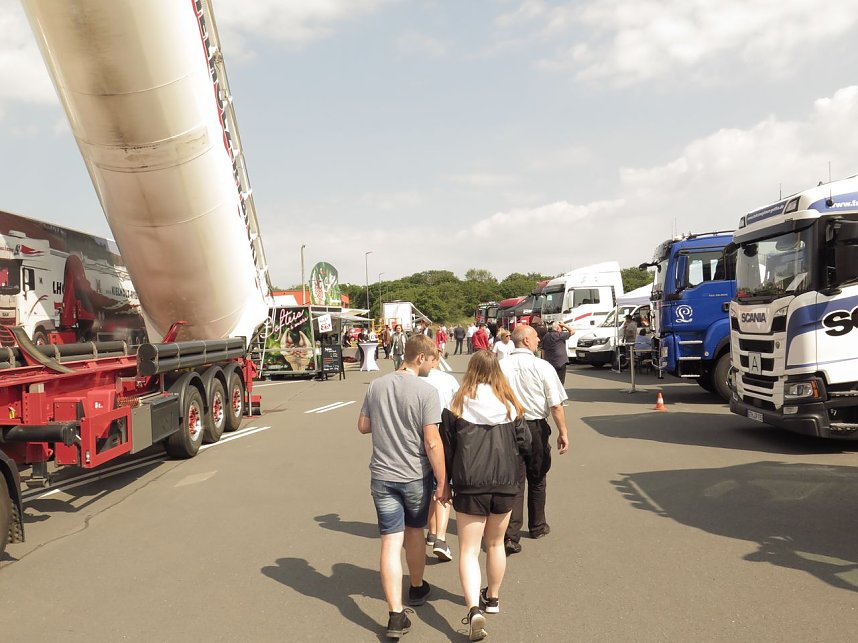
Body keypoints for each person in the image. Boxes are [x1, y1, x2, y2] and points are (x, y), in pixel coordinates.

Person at [357, 335, 450, 639]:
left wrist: (387, 419)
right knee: (414, 532)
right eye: (431, 358)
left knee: (389, 541)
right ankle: (416, 587)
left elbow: (363, 426)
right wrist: (442, 480)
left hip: (382, 476)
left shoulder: (376, 385)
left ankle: (395, 614)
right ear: (420, 358)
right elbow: (432, 440)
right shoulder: (427, 391)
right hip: (413, 474)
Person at [440, 351, 532, 641]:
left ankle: (473, 609)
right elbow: (526, 443)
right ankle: (492, 598)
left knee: (468, 550)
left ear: (471, 370)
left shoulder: (456, 406)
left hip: (469, 484)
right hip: (505, 483)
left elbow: (448, 447)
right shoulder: (510, 406)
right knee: (495, 544)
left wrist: (446, 482)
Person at [500, 324, 570, 555]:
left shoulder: (500, 365)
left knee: (516, 480)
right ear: (527, 341)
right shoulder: (542, 366)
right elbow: (556, 404)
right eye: (536, 337)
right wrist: (563, 432)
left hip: (508, 425)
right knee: (537, 476)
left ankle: (511, 533)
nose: (539, 340)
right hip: (535, 425)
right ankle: (538, 525)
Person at [424, 350, 460, 563]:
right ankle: (440, 537)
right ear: (435, 359)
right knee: (443, 484)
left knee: (429, 486)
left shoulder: (413, 379)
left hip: (419, 436)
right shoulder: (448, 379)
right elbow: (458, 407)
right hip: (443, 434)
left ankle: (431, 531)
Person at [540, 321, 574, 386]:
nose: (562, 330)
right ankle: (560, 394)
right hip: (560, 362)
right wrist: (564, 325)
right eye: (561, 328)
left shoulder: (546, 336)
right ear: (558, 328)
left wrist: (544, 360)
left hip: (549, 362)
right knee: (560, 382)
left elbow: (543, 349)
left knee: (551, 381)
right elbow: (572, 331)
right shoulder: (560, 335)